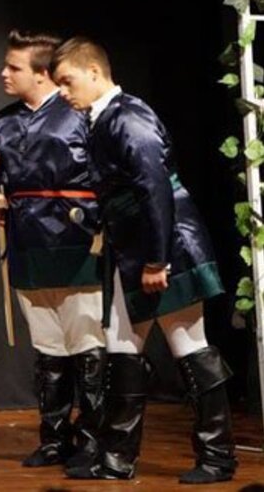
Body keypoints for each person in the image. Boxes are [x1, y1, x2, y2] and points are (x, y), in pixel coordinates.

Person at [51, 37, 236, 484]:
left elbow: (154, 189)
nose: (62, 92)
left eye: (67, 81)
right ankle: (117, 457)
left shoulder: (128, 117)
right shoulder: (101, 119)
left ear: (94, 72)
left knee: (190, 346)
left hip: (166, 248)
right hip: (131, 250)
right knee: (121, 349)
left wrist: (157, 260)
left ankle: (218, 458)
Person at [0, 30, 105, 470]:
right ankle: (54, 438)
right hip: (26, 244)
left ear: (42, 74)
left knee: (87, 343)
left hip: (75, 242)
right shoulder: (3, 121)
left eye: (13, 67)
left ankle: (92, 439)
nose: (4, 73)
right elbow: (1, 181)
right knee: (48, 346)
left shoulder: (78, 112)